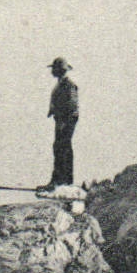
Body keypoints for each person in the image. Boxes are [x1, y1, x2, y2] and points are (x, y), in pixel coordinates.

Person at [41, 56, 78, 192]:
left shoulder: (69, 85)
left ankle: (64, 182)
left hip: (66, 121)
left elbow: (72, 105)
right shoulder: (61, 84)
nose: (52, 71)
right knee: (60, 147)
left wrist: (64, 121)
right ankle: (59, 181)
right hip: (61, 120)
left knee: (63, 147)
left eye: (54, 69)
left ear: (59, 70)